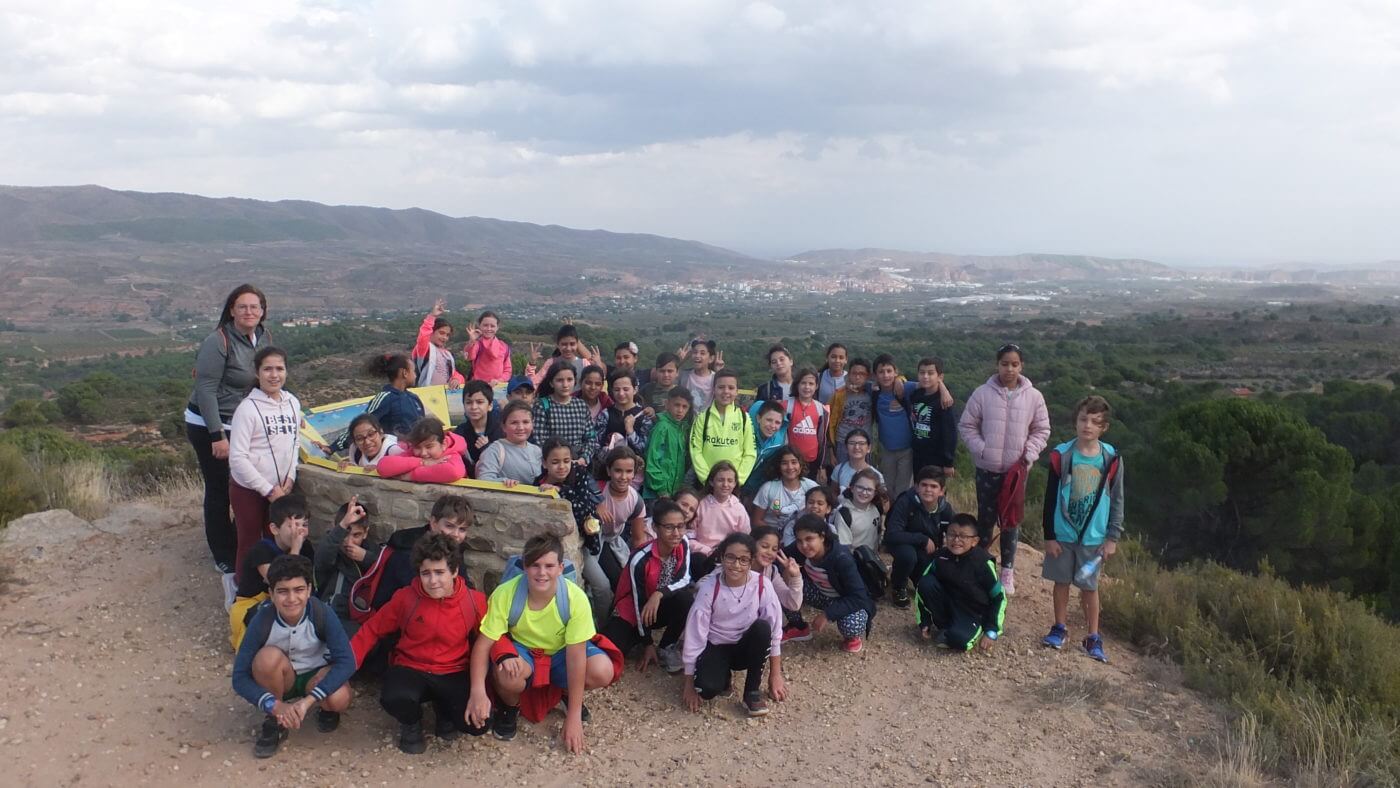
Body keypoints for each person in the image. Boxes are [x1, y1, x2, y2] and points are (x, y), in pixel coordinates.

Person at [466, 534, 621, 753]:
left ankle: (567, 694)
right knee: (507, 674)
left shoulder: (575, 599)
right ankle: (511, 708)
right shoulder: (506, 594)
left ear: (560, 568)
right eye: (535, 565)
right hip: (524, 650)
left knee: (602, 670)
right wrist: (477, 691)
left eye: (549, 566)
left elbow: (576, 657)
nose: (542, 573)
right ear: (525, 566)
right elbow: (483, 645)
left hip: (562, 651)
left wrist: (574, 717)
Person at [350, 533, 489, 753]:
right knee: (394, 697)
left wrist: (507, 659)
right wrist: (345, 667)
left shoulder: (475, 600)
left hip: (453, 670)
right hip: (412, 668)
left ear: (454, 572)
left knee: (477, 724)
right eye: (426, 573)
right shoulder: (405, 597)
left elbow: (493, 637)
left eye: (440, 572)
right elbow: (372, 629)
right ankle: (411, 722)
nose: (433, 581)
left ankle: (444, 711)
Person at [232, 554, 354, 759]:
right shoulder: (262, 620)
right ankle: (275, 720)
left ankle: (324, 709)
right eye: (282, 591)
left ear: (308, 590)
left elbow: (347, 661)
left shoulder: (321, 613)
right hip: (281, 678)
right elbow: (239, 677)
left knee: (338, 698)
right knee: (266, 659)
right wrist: (275, 705)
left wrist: (308, 701)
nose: (291, 599)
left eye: (299, 590)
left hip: (314, 677)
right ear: (271, 593)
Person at [187, 283, 270, 583]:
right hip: (210, 423)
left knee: (245, 486)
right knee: (220, 488)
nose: (249, 312)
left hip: (244, 423)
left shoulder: (263, 338)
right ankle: (223, 555)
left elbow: (270, 376)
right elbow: (206, 390)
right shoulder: (218, 341)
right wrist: (216, 436)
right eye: (242, 307)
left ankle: (243, 543)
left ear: (262, 312)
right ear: (232, 310)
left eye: (255, 307)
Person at [957, 343, 1051, 596]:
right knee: (985, 520)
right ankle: (983, 567)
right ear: (997, 364)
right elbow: (967, 425)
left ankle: (1007, 571)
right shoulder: (982, 393)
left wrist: (1028, 456)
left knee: (1010, 522)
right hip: (987, 468)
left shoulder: (1034, 397)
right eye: (1004, 363)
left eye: (1014, 364)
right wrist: (982, 449)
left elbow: (1041, 430)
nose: (1009, 369)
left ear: (1022, 366)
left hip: (1015, 472)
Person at [1040, 395, 1124, 664]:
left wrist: (1112, 537)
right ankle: (1059, 627)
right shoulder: (1061, 455)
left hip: (1094, 535)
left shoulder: (1111, 459)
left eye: (1095, 421)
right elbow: (1050, 497)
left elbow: (1118, 499)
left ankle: (1093, 635)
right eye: (1083, 419)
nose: (1088, 425)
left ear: (1104, 427)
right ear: (1075, 421)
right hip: (1064, 533)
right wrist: (1049, 535)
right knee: (1061, 581)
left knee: (1089, 587)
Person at [681, 533, 786, 717]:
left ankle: (751, 692)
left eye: (743, 560)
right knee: (706, 689)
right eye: (730, 557)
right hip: (716, 645)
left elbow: (774, 630)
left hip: (745, 647)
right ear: (721, 557)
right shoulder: (709, 589)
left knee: (762, 628)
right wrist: (688, 685)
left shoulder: (762, 585)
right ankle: (723, 677)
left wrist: (775, 675)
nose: (736, 565)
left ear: (751, 561)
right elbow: (695, 636)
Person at [228, 346, 302, 578]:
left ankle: (276, 587)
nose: (274, 375)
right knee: (249, 541)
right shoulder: (246, 409)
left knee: (277, 540)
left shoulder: (293, 403)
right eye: (267, 369)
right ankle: (244, 590)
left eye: (279, 368)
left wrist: (290, 478)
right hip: (249, 488)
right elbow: (237, 458)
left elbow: (294, 444)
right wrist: (268, 490)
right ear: (257, 373)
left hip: (281, 487)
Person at [600, 499, 697, 675]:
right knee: (610, 651)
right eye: (669, 527)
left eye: (681, 526)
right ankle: (641, 639)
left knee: (686, 599)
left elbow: (684, 578)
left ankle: (666, 646)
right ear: (655, 528)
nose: (676, 533)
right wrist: (648, 643)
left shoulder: (683, 542)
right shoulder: (640, 558)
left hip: (658, 604)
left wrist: (659, 594)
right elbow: (638, 602)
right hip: (633, 610)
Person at [229, 494, 315, 650]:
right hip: (254, 604)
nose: (300, 531)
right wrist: (295, 549)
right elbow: (281, 582)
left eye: (304, 525)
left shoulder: (306, 546)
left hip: (289, 600)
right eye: (293, 525)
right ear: (275, 529)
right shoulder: (261, 550)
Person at [366, 494, 474, 611]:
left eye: (462, 529)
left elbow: (464, 584)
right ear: (433, 523)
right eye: (449, 526)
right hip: (397, 616)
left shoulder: (450, 546)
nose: (456, 534)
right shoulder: (410, 550)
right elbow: (424, 594)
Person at [915, 514, 1007, 652]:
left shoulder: (982, 563)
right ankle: (946, 626)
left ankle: (972, 628)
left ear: (975, 541)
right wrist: (924, 621)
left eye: (963, 536)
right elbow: (921, 589)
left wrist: (992, 631)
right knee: (926, 582)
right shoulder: (940, 557)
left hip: (972, 612)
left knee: (959, 642)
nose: (956, 540)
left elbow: (999, 597)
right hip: (948, 606)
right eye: (952, 534)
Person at [535, 440, 607, 614]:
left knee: (602, 587)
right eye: (555, 462)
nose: (562, 467)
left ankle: (603, 627)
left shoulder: (579, 474)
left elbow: (584, 506)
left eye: (566, 461)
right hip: (559, 547)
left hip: (588, 539)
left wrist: (559, 491)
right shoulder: (539, 484)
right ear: (544, 463)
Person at [790, 515, 875, 654]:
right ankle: (798, 627)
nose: (804, 545)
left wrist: (827, 615)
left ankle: (852, 638)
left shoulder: (841, 558)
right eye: (799, 540)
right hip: (822, 594)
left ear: (822, 536)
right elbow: (778, 556)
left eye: (809, 539)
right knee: (786, 586)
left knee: (851, 625)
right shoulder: (799, 549)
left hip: (846, 599)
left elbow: (859, 597)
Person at [883, 467, 955, 609]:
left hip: (926, 551)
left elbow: (956, 533)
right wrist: (922, 539)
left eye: (933, 486)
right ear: (916, 487)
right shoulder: (905, 502)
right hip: (902, 544)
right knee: (907, 556)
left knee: (926, 586)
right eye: (924, 485)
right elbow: (892, 533)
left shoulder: (945, 509)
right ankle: (898, 586)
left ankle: (917, 578)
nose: (928, 489)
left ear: (942, 490)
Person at [330, 353, 425, 453]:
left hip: (417, 452)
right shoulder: (385, 398)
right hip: (394, 455)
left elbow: (423, 427)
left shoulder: (414, 398)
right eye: (413, 371)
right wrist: (332, 448)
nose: (415, 375)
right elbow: (361, 423)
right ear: (404, 373)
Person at [313, 496, 373, 635]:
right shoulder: (332, 546)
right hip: (330, 613)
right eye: (345, 534)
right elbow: (322, 559)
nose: (349, 542)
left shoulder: (371, 551)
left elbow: (382, 568)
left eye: (356, 535)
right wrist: (342, 526)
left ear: (366, 533)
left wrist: (365, 558)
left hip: (358, 615)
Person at [594, 446, 650, 587]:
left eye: (629, 471)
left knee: (627, 580)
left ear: (634, 473)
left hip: (613, 540)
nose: (623, 477)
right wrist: (595, 506)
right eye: (618, 471)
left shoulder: (636, 501)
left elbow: (638, 538)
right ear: (609, 471)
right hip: (592, 542)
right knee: (610, 582)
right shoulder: (596, 491)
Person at [689, 369, 756, 487]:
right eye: (721, 387)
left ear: (737, 391)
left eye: (730, 388)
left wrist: (737, 481)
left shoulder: (744, 418)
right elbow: (695, 451)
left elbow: (750, 452)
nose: (726, 391)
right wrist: (707, 480)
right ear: (714, 390)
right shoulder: (702, 417)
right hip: (706, 485)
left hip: (733, 486)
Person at [690, 460, 750, 575]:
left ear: (735, 484)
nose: (725, 484)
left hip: (728, 558)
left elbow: (745, 539)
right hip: (702, 556)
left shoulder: (739, 509)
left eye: (730, 481)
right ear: (712, 482)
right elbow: (689, 536)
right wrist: (707, 551)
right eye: (721, 480)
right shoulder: (700, 505)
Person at [531, 362, 597, 466]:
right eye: (559, 380)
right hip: (552, 465)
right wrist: (558, 462)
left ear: (575, 381)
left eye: (569, 380)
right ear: (551, 383)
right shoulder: (542, 405)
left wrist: (583, 459)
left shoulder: (581, 405)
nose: (565, 385)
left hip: (578, 463)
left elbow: (591, 438)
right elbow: (539, 440)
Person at [751, 447, 819, 544]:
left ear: (800, 465)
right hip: (772, 538)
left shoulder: (811, 487)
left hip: (803, 538)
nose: (790, 467)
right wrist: (776, 537)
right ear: (778, 466)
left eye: (794, 462)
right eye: (784, 463)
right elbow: (756, 520)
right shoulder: (768, 488)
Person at [871, 354, 916, 497]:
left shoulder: (905, 387)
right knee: (888, 488)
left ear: (896, 372)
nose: (886, 375)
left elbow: (927, 383)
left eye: (889, 371)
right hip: (887, 449)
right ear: (875, 375)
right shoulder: (873, 392)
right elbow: (853, 381)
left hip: (907, 448)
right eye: (881, 372)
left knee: (903, 489)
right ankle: (890, 517)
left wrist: (942, 387)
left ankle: (901, 518)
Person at [376, 416, 468, 484]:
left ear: (443, 444)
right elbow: (383, 466)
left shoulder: (451, 453)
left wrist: (410, 476)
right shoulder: (413, 453)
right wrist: (422, 462)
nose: (423, 453)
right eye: (418, 447)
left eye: (429, 447)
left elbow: (453, 472)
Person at [910, 357, 958, 479]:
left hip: (937, 458)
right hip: (918, 455)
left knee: (934, 492)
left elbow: (950, 433)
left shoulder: (944, 401)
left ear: (940, 377)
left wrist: (948, 462)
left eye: (930, 373)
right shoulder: (916, 395)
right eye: (922, 373)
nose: (925, 376)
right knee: (919, 489)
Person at [475, 401, 543, 486]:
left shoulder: (537, 451)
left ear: (532, 424)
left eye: (526, 422)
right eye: (514, 423)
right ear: (503, 426)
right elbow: (483, 479)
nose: (521, 428)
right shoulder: (495, 450)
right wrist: (504, 482)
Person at [643, 387, 692, 501]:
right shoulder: (662, 427)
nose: (680, 410)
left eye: (684, 407)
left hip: (674, 490)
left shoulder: (682, 429)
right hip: (657, 492)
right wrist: (661, 489)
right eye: (677, 405)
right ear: (667, 404)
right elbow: (652, 459)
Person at [785, 367, 831, 483]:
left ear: (816, 386)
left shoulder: (821, 409)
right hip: (790, 461)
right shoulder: (787, 406)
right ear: (797, 385)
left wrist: (822, 466)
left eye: (811, 383)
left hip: (812, 462)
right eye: (803, 383)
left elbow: (823, 439)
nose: (807, 387)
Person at [827, 357, 873, 466]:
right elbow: (829, 423)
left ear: (868, 376)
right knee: (843, 475)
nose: (857, 377)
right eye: (854, 373)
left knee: (864, 477)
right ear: (849, 374)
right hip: (843, 442)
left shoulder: (872, 393)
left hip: (864, 442)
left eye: (862, 374)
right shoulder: (839, 395)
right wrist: (831, 450)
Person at [411, 299, 464, 390]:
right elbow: (423, 336)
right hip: (425, 393)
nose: (445, 338)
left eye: (447, 335)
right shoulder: (425, 349)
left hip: (443, 396)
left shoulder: (447, 354)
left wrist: (456, 379)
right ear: (431, 332)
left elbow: (453, 373)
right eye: (441, 333)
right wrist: (432, 316)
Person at [742, 400, 789, 500]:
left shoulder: (777, 442)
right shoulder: (743, 433)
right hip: (732, 481)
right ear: (758, 418)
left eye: (777, 422)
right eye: (769, 420)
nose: (772, 426)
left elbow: (764, 467)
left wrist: (752, 489)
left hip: (752, 486)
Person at [599, 370, 653, 457]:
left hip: (635, 468)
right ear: (612, 391)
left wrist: (631, 431)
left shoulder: (644, 416)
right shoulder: (605, 414)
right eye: (617, 390)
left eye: (626, 389)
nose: (621, 393)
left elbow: (645, 449)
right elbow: (597, 445)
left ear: (635, 390)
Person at [752, 525, 804, 614]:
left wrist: (795, 576)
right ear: (751, 544)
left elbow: (793, 604)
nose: (769, 552)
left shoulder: (771, 572)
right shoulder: (738, 567)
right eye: (764, 546)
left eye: (774, 549)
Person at [834, 468, 888, 553]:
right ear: (851, 488)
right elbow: (844, 548)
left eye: (869, 489)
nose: (864, 492)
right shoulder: (844, 514)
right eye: (860, 487)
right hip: (852, 561)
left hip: (872, 559)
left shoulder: (876, 508)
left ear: (875, 493)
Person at [453, 380, 503, 470]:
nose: (474, 407)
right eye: (468, 402)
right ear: (463, 405)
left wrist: (488, 448)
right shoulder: (459, 434)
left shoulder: (502, 430)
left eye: (479, 402)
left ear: (490, 406)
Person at [462, 310, 512, 385]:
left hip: (498, 387)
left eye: (492, 326)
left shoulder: (504, 346)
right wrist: (471, 341)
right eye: (485, 325)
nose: (489, 329)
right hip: (478, 386)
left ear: (497, 327)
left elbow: (507, 370)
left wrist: (499, 380)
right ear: (479, 325)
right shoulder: (477, 344)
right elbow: (468, 357)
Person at [829, 428, 883, 497]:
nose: (857, 447)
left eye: (861, 443)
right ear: (846, 447)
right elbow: (834, 492)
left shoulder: (876, 475)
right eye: (852, 443)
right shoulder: (839, 469)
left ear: (869, 448)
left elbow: (882, 500)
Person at [678, 339, 720, 411]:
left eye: (702, 353)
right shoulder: (685, 375)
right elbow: (668, 373)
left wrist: (719, 371)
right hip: (687, 420)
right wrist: (680, 361)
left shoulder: (715, 378)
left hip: (707, 421)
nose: (697, 356)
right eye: (695, 352)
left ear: (711, 358)